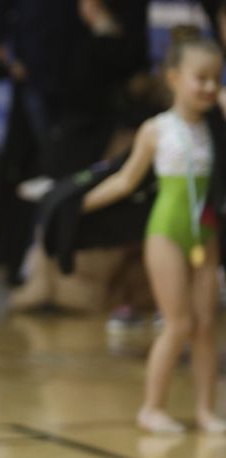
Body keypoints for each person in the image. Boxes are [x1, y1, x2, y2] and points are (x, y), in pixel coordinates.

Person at [80, 29, 226, 433]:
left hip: (206, 234)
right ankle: (152, 408)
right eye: (201, 77)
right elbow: (126, 180)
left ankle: (205, 410)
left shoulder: (216, 126)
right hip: (166, 233)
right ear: (174, 76)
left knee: (205, 325)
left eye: (217, 78)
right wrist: (82, 203)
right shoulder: (156, 129)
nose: (211, 86)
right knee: (178, 322)